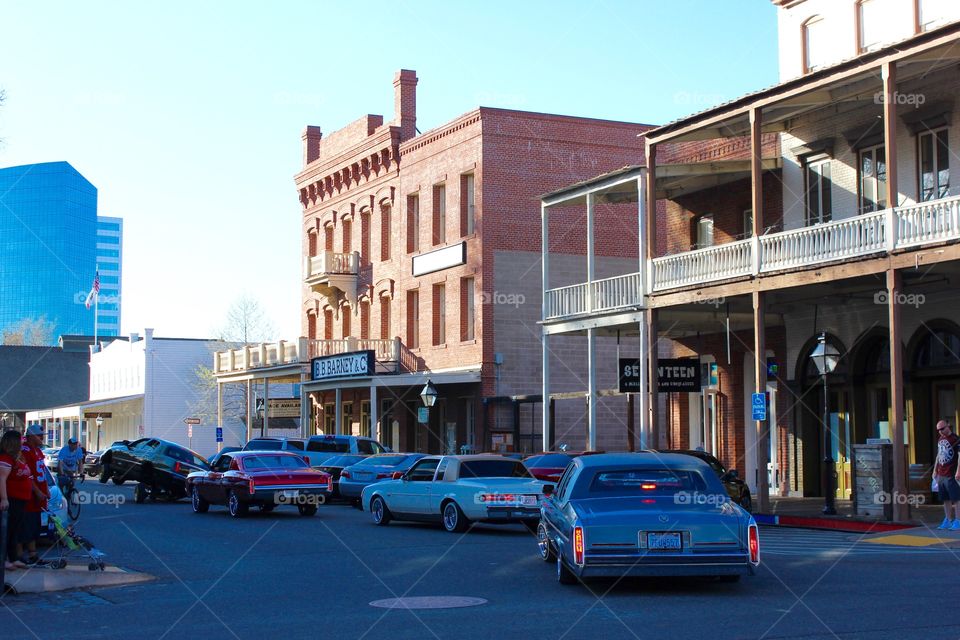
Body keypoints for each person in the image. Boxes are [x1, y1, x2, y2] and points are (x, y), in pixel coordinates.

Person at [19, 425, 50, 565]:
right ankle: (19, 556)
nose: (42, 437)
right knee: (25, 526)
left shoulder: (37, 451)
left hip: (39, 495)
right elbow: (27, 475)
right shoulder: (25, 451)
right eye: (39, 435)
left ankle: (33, 554)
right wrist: (37, 491)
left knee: (35, 526)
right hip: (29, 496)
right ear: (31, 436)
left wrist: (46, 489)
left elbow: (41, 472)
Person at [0, 431, 31, 570]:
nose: (23, 441)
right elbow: (2, 479)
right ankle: (3, 560)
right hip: (11, 499)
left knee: (14, 531)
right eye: (20, 439)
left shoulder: (17, 458)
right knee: (5, 531)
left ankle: (13, 557)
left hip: (20, 500)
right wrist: (4, 499)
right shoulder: (5, 459)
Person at [934, 419, 960, 530]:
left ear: (948, 426)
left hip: (951, 473)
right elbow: (938, 455)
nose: (940, 431)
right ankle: (948, 519)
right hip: (941, 473)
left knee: (956, 498)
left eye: (942, 429)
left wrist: (958, 471)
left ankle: (958, 520)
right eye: (938, 430)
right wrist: (935, 469)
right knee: (945, 498)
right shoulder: (940, 439)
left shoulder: (956, 439)